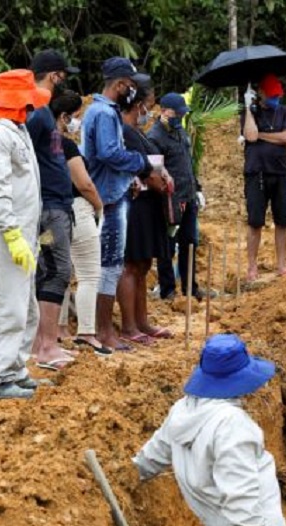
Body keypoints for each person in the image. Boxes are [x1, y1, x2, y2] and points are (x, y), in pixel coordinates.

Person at [133, 334, 286, 526]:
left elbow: (149, 459)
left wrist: (122, 476)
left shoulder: (182, 411)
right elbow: (242, 502)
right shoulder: (232, 426)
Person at [0, 70, 51, 400]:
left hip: (21, 232)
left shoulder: (16, 130)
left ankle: (15, 368)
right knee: (6, 305)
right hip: (6, 234)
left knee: (24, 306)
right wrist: (13, 234)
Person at [80, 57, 156, 351]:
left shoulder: (103, 111)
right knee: (110, 266)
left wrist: (129, 178)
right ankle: (104, 331)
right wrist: (141, 163)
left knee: (110, 265)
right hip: (108, 199)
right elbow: (109, 153)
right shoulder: (103, 113)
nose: (132, 92)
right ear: (121, 84)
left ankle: (104, 329)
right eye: (131, 87)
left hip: (114, 191)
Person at [27, 49, 80, 370]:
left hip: (56, 206)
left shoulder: (45, 112)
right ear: (53, 76)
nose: (64, 83)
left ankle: (39, 344)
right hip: (49, 209)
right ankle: (46, 346)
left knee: (49, 269)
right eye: (62, 76)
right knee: (56, 269)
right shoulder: (36, 113)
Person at [49, 90, 112, 356]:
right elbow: (84, 184)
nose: (77, 122)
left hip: (49, 214)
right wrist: (99, 206)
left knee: (60, 273)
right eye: (75, 117)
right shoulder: (66, 146)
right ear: (63, 117)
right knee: (88, 273)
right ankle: (86, 332)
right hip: (77, 211)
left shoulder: (39, 144)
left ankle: (59, 330)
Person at [118, 77, 173, 345]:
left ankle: (142, 322)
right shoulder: (125, 132)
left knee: (142, 264)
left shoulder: (139, 132)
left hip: (150, 204)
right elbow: (144, 170)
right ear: (138, 104)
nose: (149, 111)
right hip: (135, 205)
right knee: (130, 264)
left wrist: (166, 177)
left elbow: (155, 165)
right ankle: (129, 325)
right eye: (148, 105)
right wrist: (158, 181)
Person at [150, 92, 205, 300]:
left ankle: (191, 288)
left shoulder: (181, 132)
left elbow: (188, 164)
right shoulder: (155, 137)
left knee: (189, 242)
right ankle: (168, 290)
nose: (180, 118)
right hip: (170, 200)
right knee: (167, 245)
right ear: (164, 112)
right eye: (177, 114)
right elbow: (156, 172)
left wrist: (197, 188)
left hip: (188, 195)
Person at [241, 74, 286, 282]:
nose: (275, 99)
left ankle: (282, 264)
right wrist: (248, 108)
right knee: (255, 222)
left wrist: (263, 135)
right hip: (257, 174)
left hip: (280, 173)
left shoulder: (284, 112)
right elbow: (250, 135)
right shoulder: (250, 113)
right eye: (271, 95)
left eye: (277, 95)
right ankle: (252, 267)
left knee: (282, 220)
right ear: (260, 93)